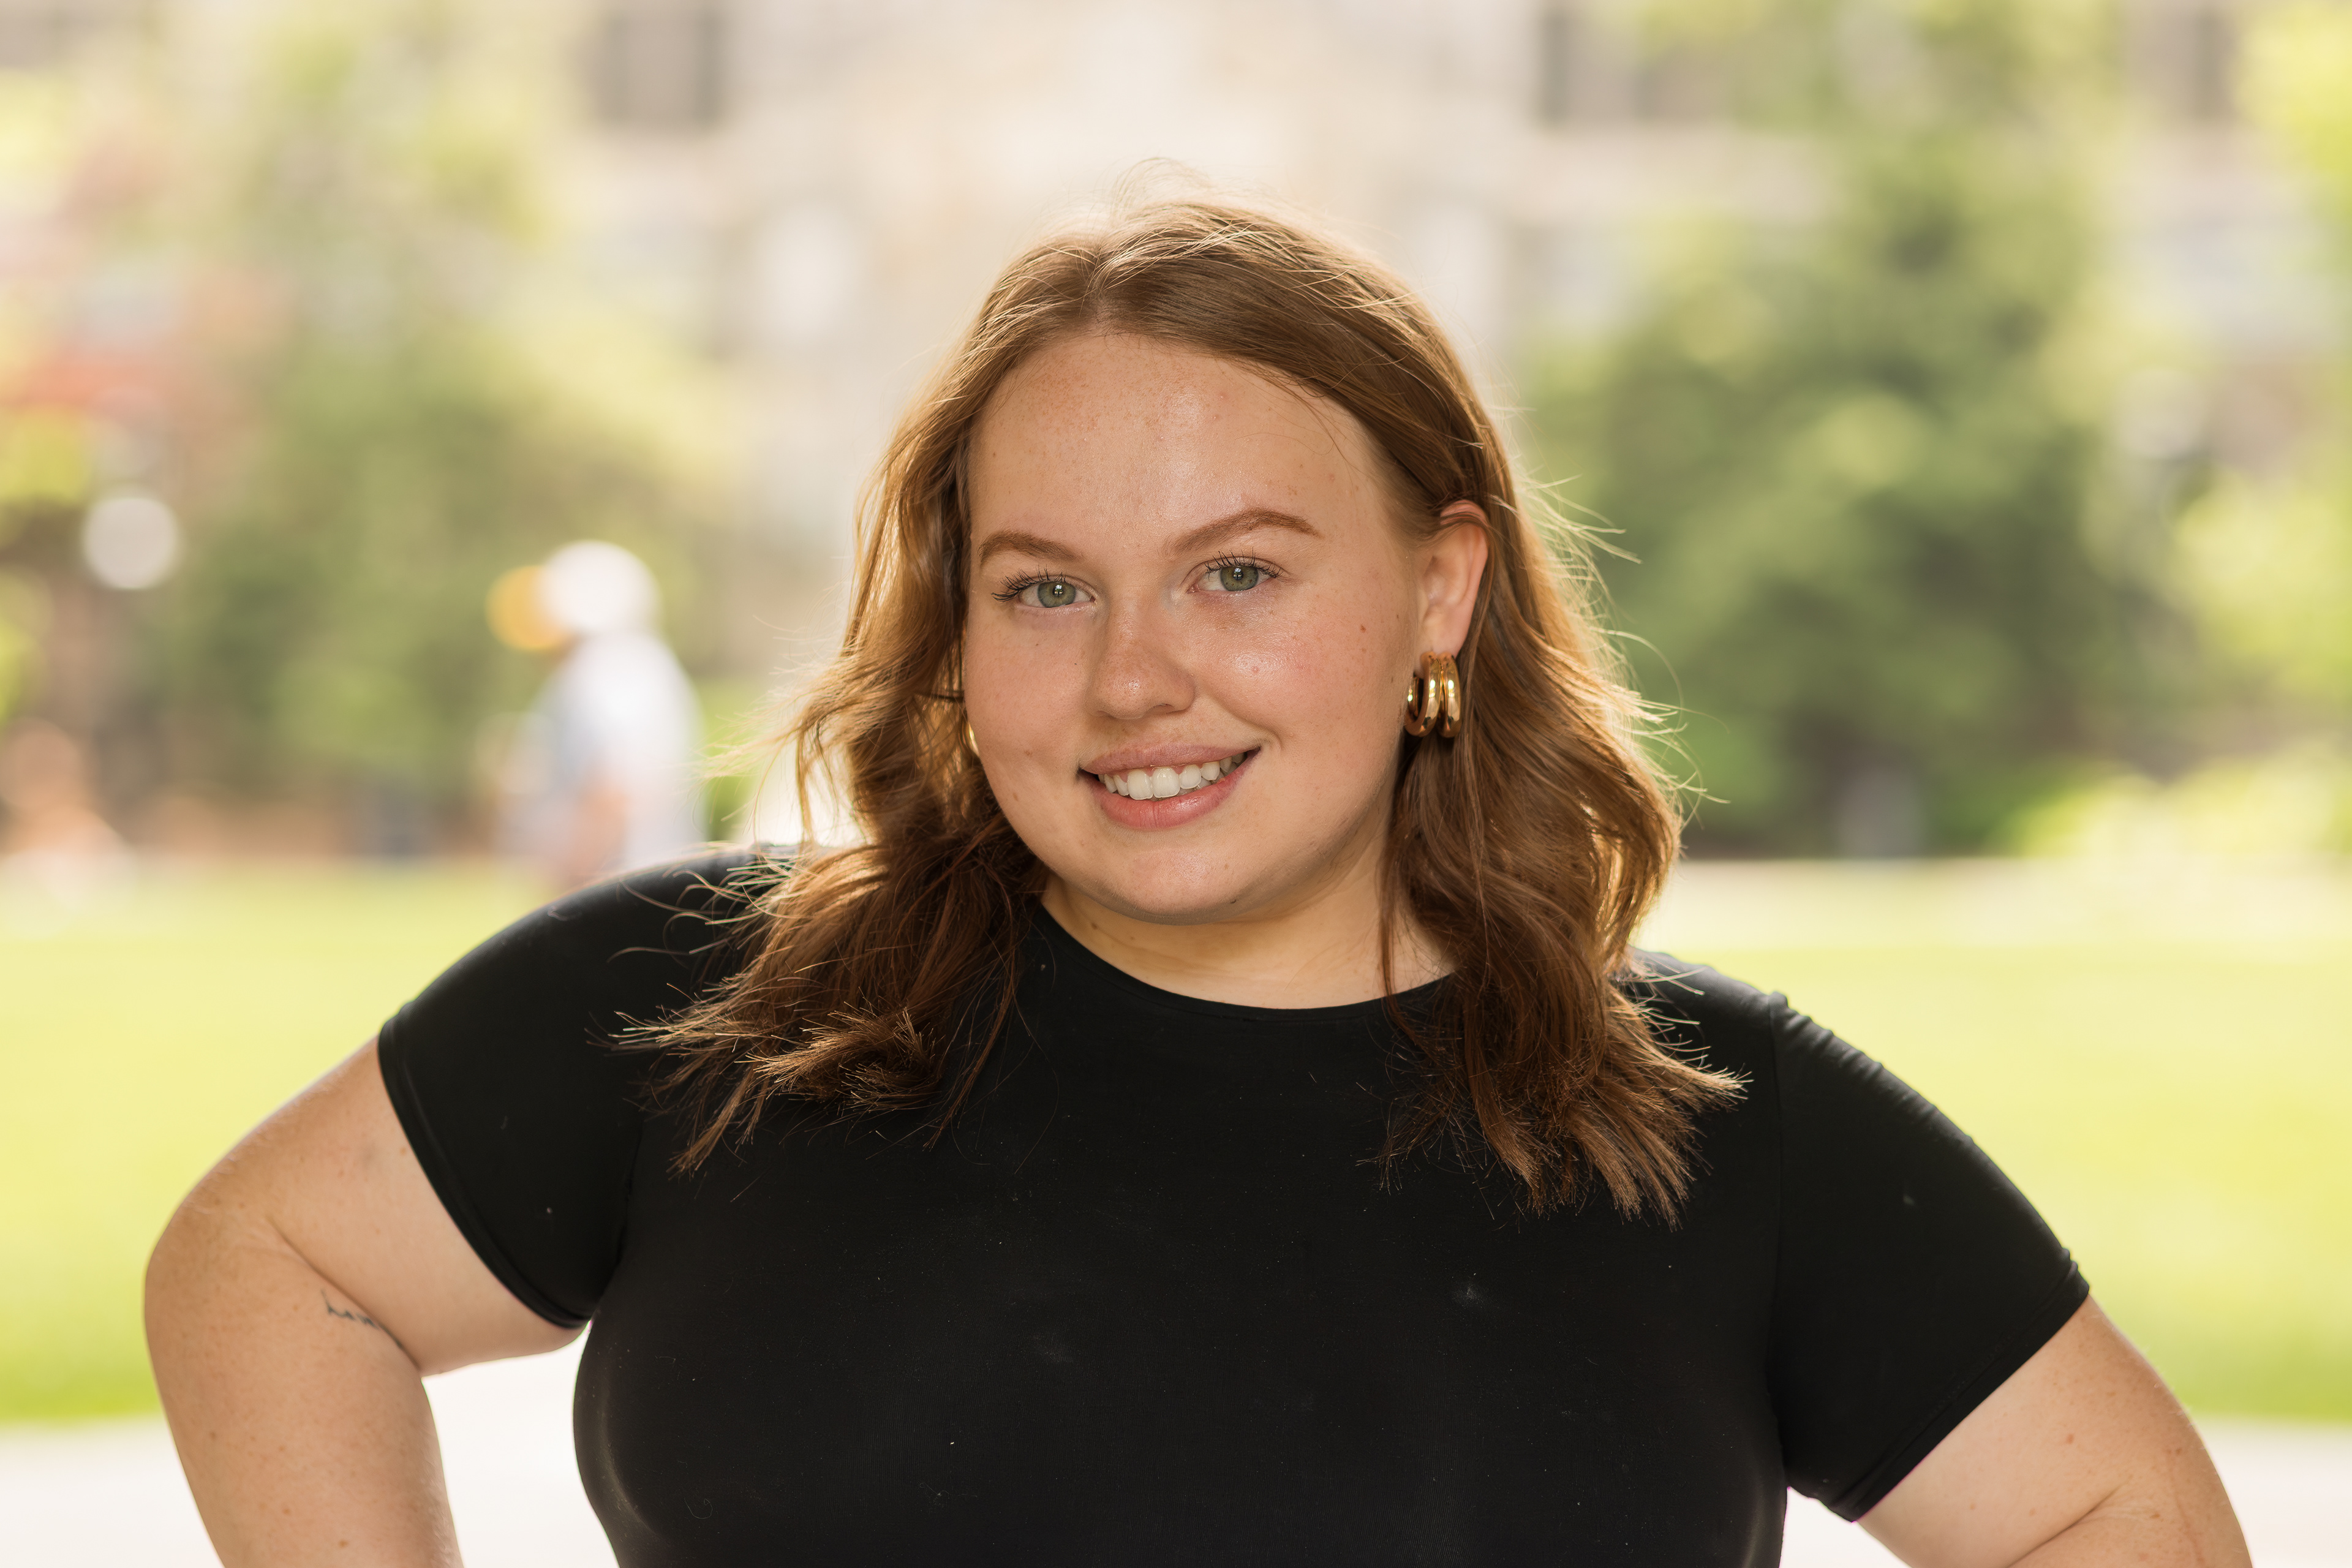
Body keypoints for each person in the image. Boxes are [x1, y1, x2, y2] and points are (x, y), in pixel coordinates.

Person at [145, 195, 2247, 1567]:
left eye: (1237, 573)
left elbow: (2110, 1516)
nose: (1134, 679)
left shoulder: (1712, 1126)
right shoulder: (718, 1010)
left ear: (1440, 589)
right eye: (1046, 586)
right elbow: (267, 1259)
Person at [495, 540, 704, 889]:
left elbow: (611, 788)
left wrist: (575, 889)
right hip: (641, 886)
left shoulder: (605, 670)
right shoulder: (646, 667)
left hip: (616, 888)